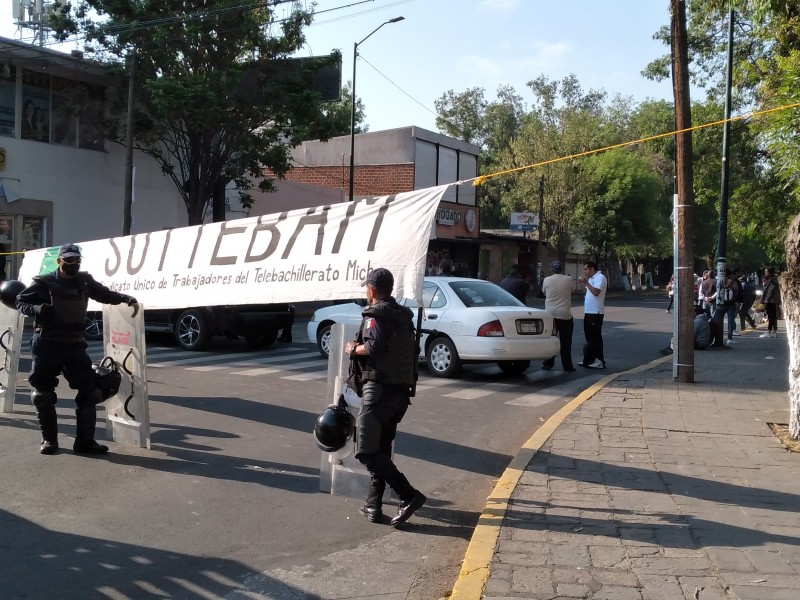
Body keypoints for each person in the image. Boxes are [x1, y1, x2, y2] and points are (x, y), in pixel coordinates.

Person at [15, 243, 139, 455]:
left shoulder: (85, 281)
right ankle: (49, 441)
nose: (73, 263)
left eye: (77, 260)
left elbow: (104, 294)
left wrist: (126, 298)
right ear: (59, 261)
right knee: (42, 395)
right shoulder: (44, 282)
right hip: (47, 344)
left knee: (91, 392)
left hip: (74, 344)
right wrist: (36, 308)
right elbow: (20, 301)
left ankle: (85, 442)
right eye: (69, 260)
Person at [344, 268, 426, 527]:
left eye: (366, 288)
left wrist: (353, 349)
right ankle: (373, 504)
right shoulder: (402, 316)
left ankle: (408, 494)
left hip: (378, 391)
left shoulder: (375, 315)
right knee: (380, 450)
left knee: (366, 451)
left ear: (371, 289)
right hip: (399, 394)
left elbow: (374, 346)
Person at [541, 260, 575, 372]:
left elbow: (544, 292)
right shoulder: (568, 279)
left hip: (550, 314)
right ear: (562, 269)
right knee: (566, 342)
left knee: (550, 340)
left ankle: (548, 364)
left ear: (552, 269)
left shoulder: (547, 280)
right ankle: (567, 366)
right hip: (565, 315)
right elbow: (572, 290)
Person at [578, 261, 607, 369]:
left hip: (596, 312)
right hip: (588, 311)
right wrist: (582, 284)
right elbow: (587, 293)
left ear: (592, 269)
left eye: (586, 269)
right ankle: (589, 359)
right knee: (589, 337)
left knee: (596, 338)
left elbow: (596, 292)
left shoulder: (600, 277)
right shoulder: (590, 279)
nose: (585, 272)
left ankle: (600, 360)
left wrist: (586, 283)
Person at [760, 267, 781, 338]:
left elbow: (769, 292)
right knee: (773, 316)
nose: (765, 272)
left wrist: (765, 301)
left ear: (769, 272)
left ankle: (769, 331)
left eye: (766, 271)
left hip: (771, 301)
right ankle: (774, 332)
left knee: (771, 316)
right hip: (772, 300)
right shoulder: (773, 280)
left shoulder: (772, 281)